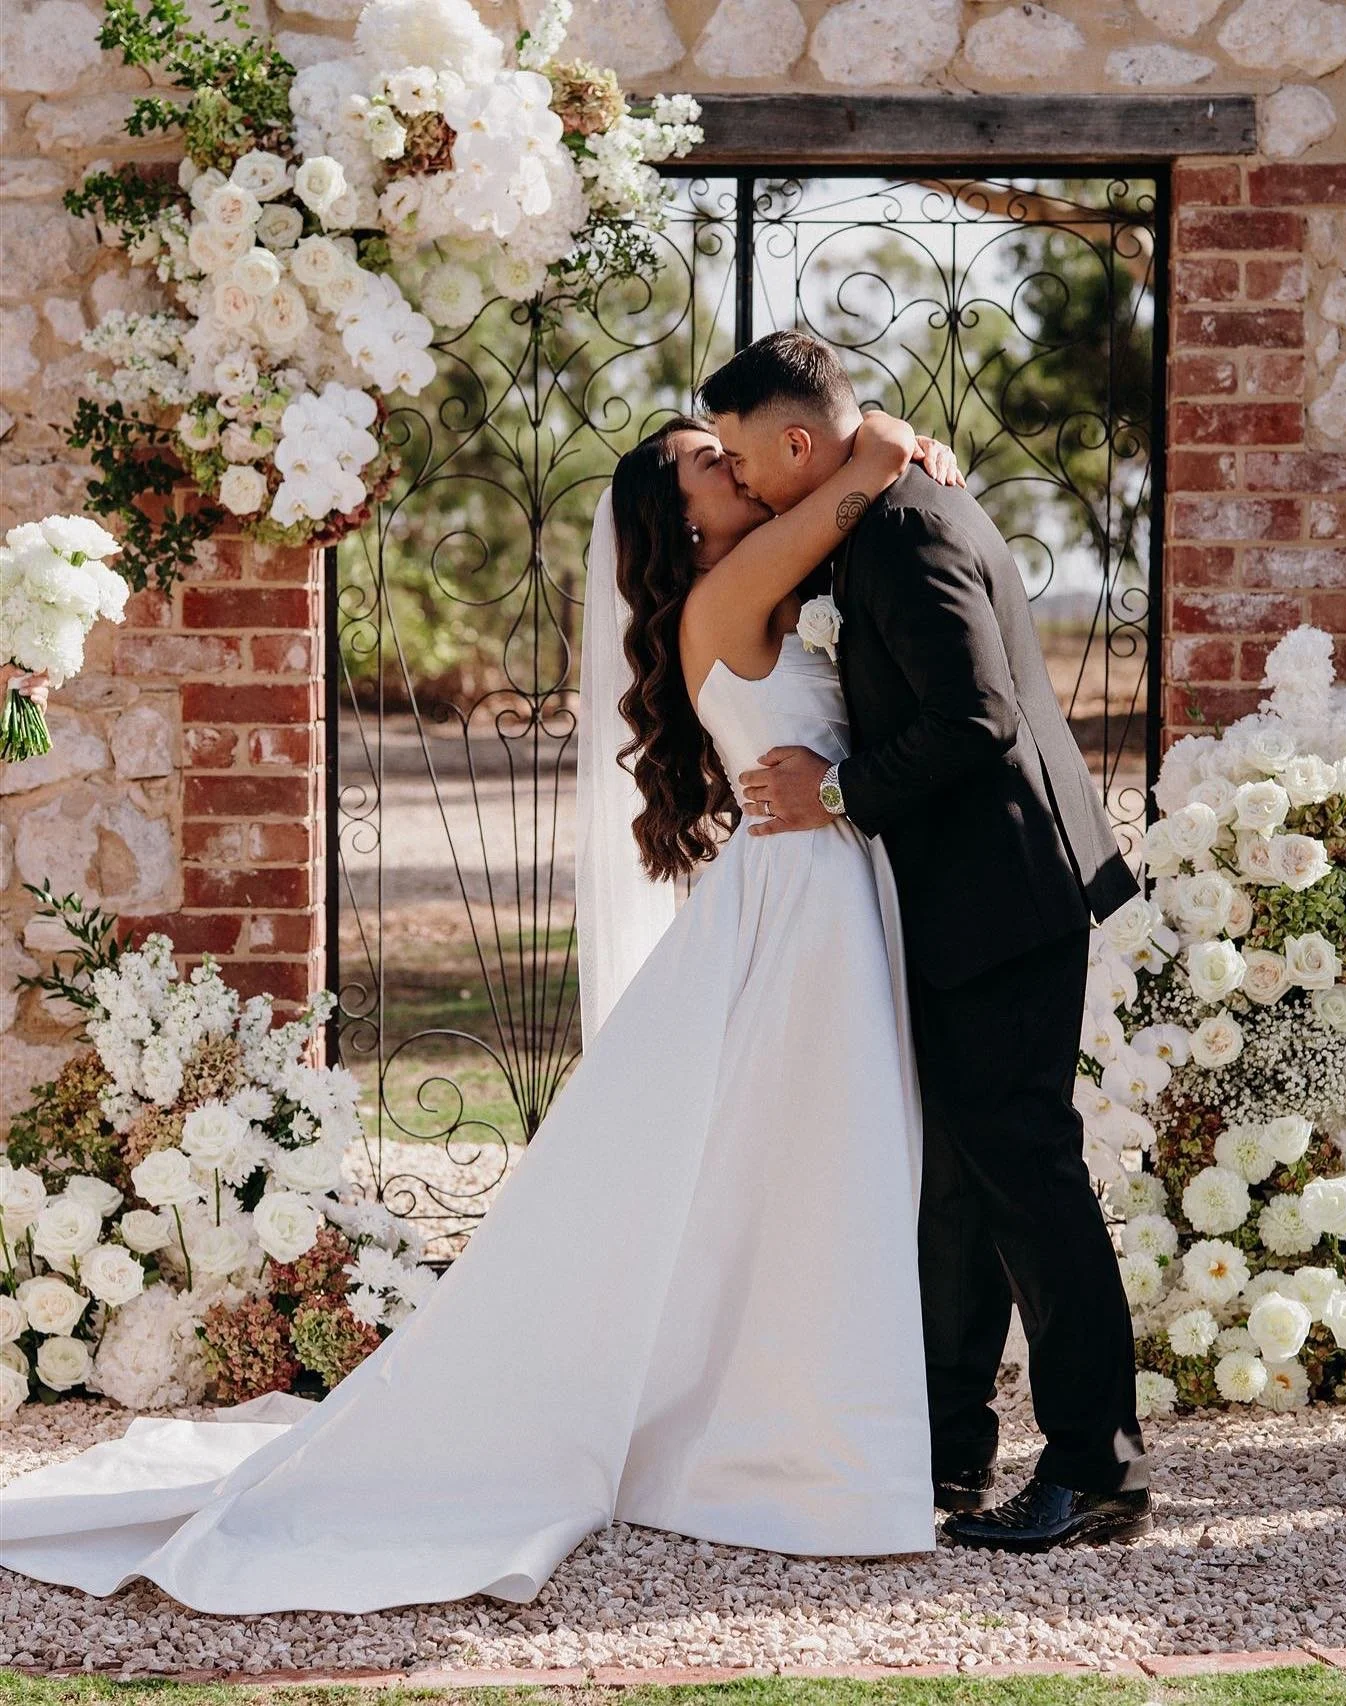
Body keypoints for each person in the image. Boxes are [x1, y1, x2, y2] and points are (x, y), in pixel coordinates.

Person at [0, 411, 967, 1613]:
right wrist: (893, 437)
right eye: (708, 463)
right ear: (679, 522)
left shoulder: (754, 586)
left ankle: (798, 1432)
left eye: (729, 449)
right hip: (804, 903)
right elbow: (858, 476)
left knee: (792, 1174)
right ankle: (811, 1457)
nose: (732, 463)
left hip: (818, 888)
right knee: (818, 1159)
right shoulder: (727, 595)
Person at [697, 330, 1152, 1553]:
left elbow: (977, 715)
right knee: (959, 1184)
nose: (736, 481)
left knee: (1028, 1179)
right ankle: (949, 1449)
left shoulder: (905, 529)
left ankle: (1097, 1464)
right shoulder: (882, 508)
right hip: (969, 902)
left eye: (741, 458)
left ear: (799, 441)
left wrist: (834, 793)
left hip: (1000, 897)